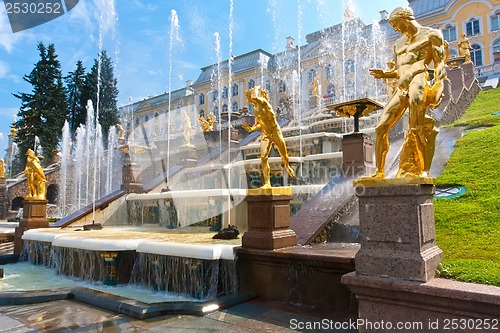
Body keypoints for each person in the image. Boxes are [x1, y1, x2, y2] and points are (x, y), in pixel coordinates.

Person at [364, 6, 447, 179]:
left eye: (396, 25)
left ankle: (423, 170)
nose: (395, 29)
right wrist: (385, 74)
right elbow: (398, 70)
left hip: (419, 80)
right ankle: (379, 172)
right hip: (401, 86)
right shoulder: (398, 43)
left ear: (406, 19)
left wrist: (439, 86)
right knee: (381, 127)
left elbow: (439, 64)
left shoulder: (431, 35)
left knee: (416, 128)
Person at [243, 86, 295, 189]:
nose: (249, 99)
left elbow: (254, 97)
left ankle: (286, 165)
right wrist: (251, 129)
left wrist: (256, 88)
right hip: (265, 133)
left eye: (248, 96)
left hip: (275, 131)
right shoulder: (255, 109)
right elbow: (260, 123)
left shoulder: (263, 102)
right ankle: (267, 182)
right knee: (263, 157)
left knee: (283, 155)